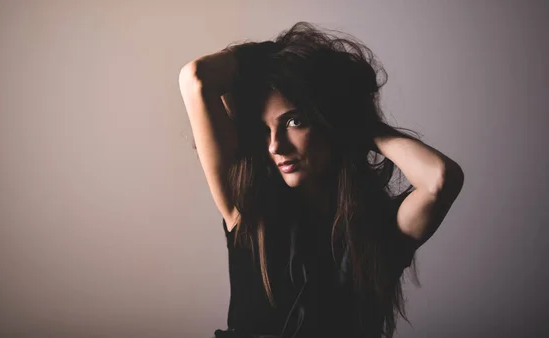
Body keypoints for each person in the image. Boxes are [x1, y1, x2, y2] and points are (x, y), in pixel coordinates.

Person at [178, 21, 464, 338]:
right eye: (265, 130)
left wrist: (355, 123)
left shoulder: (380, 230)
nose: (275, 145)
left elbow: (440, 179)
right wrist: (271, 55)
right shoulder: (247, 211)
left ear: (330, 123)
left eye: (294, 121)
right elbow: (196, 78)